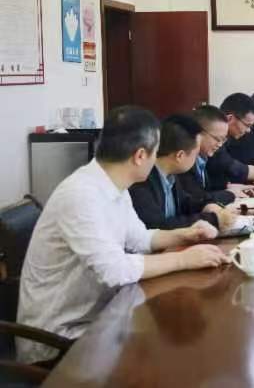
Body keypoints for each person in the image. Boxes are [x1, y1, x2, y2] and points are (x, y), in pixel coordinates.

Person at [17, 106, 229, 364]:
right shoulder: (81, 195)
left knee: (173, 345)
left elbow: (139, 239)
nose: (157, 159)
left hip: (101, 318)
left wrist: (185, 235)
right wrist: (184, 259)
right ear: (140, 155)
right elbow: (114, 270)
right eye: (155, 151)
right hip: (60, 338)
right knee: (172, 353)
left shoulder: (114, 185)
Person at [129, 114, 238, 231]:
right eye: (195, 154)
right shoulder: (141, 181)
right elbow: (158, 226)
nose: (196, 159)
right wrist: (213, 219)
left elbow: (186, 203)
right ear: (180, 155)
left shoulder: (171, 174)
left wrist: (208, 205)